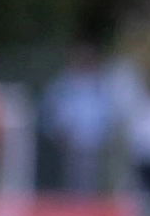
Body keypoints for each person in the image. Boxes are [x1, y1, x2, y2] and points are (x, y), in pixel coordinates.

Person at [41, 44, 115, 194]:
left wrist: (103, 136)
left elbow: (107, 112)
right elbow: (51, 109)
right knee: (71, 182)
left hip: (92, 144)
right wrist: (55, 132)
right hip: (70, 143)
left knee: (89, 182)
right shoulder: (63, 83)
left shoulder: (99, 84)